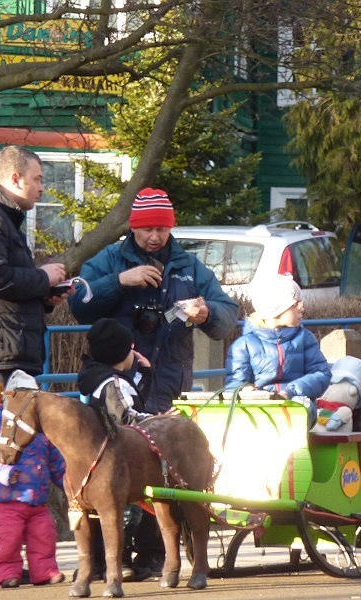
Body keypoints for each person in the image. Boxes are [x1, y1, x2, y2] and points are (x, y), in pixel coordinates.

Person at [68, 187, 238, 576]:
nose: (154, 237)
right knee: (100, 465)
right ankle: (95, 562)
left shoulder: (188, 266)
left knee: (161, 469)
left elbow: (227, 316)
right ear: (133, 228)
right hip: (112, 382)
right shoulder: (109, 260)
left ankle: (152, 556)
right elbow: (79, 304)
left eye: (161, 228)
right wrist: (120, 281)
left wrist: (206, 311)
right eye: (146, 229)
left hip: (165, 381)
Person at [0, 145, 71, 572]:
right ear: (14, 179)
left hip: (16, 345)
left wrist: (45, 295)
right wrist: (42, 276)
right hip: (3, 352)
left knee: (5, 446)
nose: (42, 187)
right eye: (38, 179)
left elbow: (10, 285)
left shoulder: (5, 214)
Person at [76, 318, 153, 581]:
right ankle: (119, 559)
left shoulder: (96, 376)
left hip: (100, 454)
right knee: (128, 510)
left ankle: (101, 562)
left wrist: (144, 373)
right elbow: (127, 418)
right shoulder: (111, 383)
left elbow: (129, 398)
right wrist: (159, 420)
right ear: (123, 352)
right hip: (117, 455)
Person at [0, 379, 66, 588]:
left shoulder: (41, 424)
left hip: (38, 500)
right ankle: (6, 573)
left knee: (44, 537)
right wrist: (2, 471)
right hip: (8, 499)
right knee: (8, 541)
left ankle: (45, 570)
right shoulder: (1, 417)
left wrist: (67, 480)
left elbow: (54, 456)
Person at [224, 273, 331, 412]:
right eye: (295, 304)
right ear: (276, 309)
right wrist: (245, 390)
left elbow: (321, 373)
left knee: (299, 412)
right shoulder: (244, 345)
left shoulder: (305, 339)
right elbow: (234, 383)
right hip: (259, 407)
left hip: (297, 403)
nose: (301, 308)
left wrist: (291, 391)